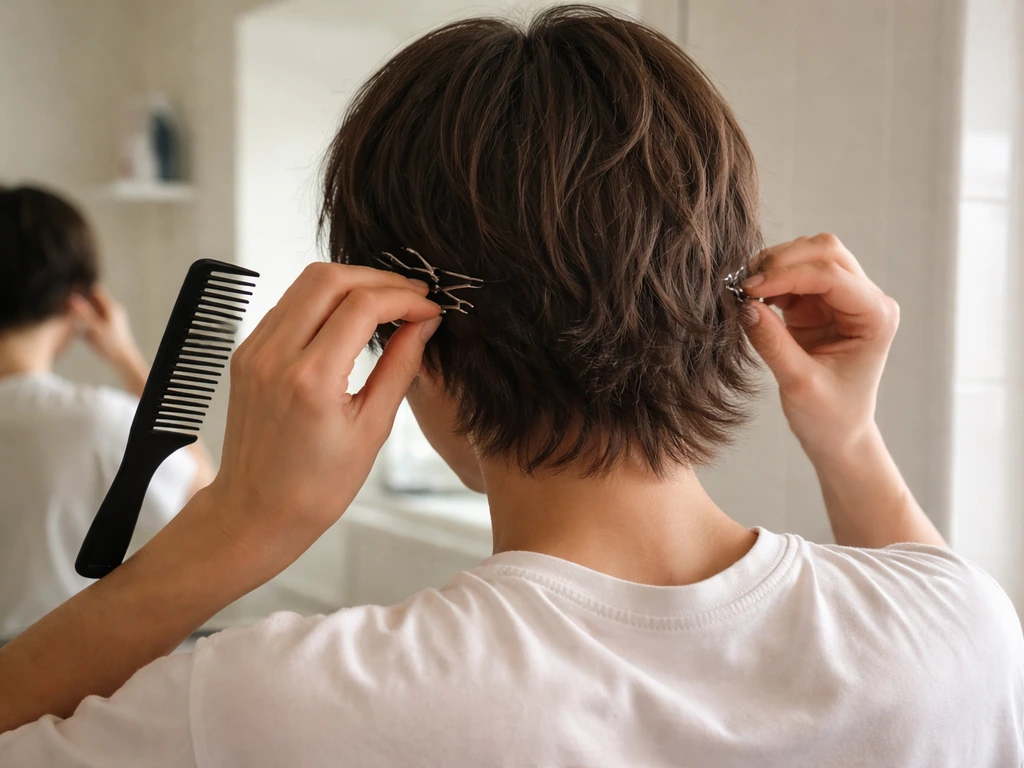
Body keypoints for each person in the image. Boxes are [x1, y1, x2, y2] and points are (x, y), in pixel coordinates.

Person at [1, 7, 1022, 766]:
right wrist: (847, 440)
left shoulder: (272, 707)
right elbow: (922, 590)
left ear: (401, 332)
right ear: (726, 293)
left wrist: (236, 528)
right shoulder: (961, 637)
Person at [0, 184, 216, 635]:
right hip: (65, 687)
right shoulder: (99, 423)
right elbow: (205, 503)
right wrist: (126, 356)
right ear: (77, 301)